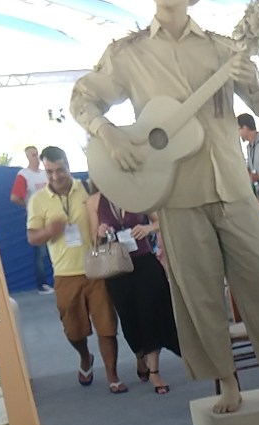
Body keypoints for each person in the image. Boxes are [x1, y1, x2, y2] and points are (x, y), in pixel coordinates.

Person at [70, 0, 259, 413]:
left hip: (232, 185)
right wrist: (107, 133)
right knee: (198, 294)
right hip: (174, 193)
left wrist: (254, 80)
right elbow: (83, 98)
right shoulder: (127, 54)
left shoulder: (222, 48)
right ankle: (226, 383)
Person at [26, 147, 125, 392]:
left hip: (97, 268)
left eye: (60, 170)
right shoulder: (38, 200)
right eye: (49, 171)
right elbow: (32, 238)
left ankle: (112, 376)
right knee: (73, 330)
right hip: (64, 274)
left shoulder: (88, 188)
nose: (55, 176)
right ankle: (84, 357)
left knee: (107, 326)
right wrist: (49, 231)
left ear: (68, 165)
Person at [86, 189, 180, 394]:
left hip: (144, 262)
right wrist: (100, 233)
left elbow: (162, 220)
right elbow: (93, 237)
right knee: (130, 322)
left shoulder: (138, 193)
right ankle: (140, 354)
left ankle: (154, 371)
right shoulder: (94, 202)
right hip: (116, 267)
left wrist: (148, 228)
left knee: (151, 315)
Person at [10, 145, 52, 293]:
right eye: (33, 155)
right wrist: (29, 206)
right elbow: (15, 197)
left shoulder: (45, 174)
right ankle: (41, 285)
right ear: (27, 157)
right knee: (41, 252)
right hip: (37, 218)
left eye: (37, 154)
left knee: (57, 247)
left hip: (51, 215)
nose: (36, 158)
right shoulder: (24, 175)